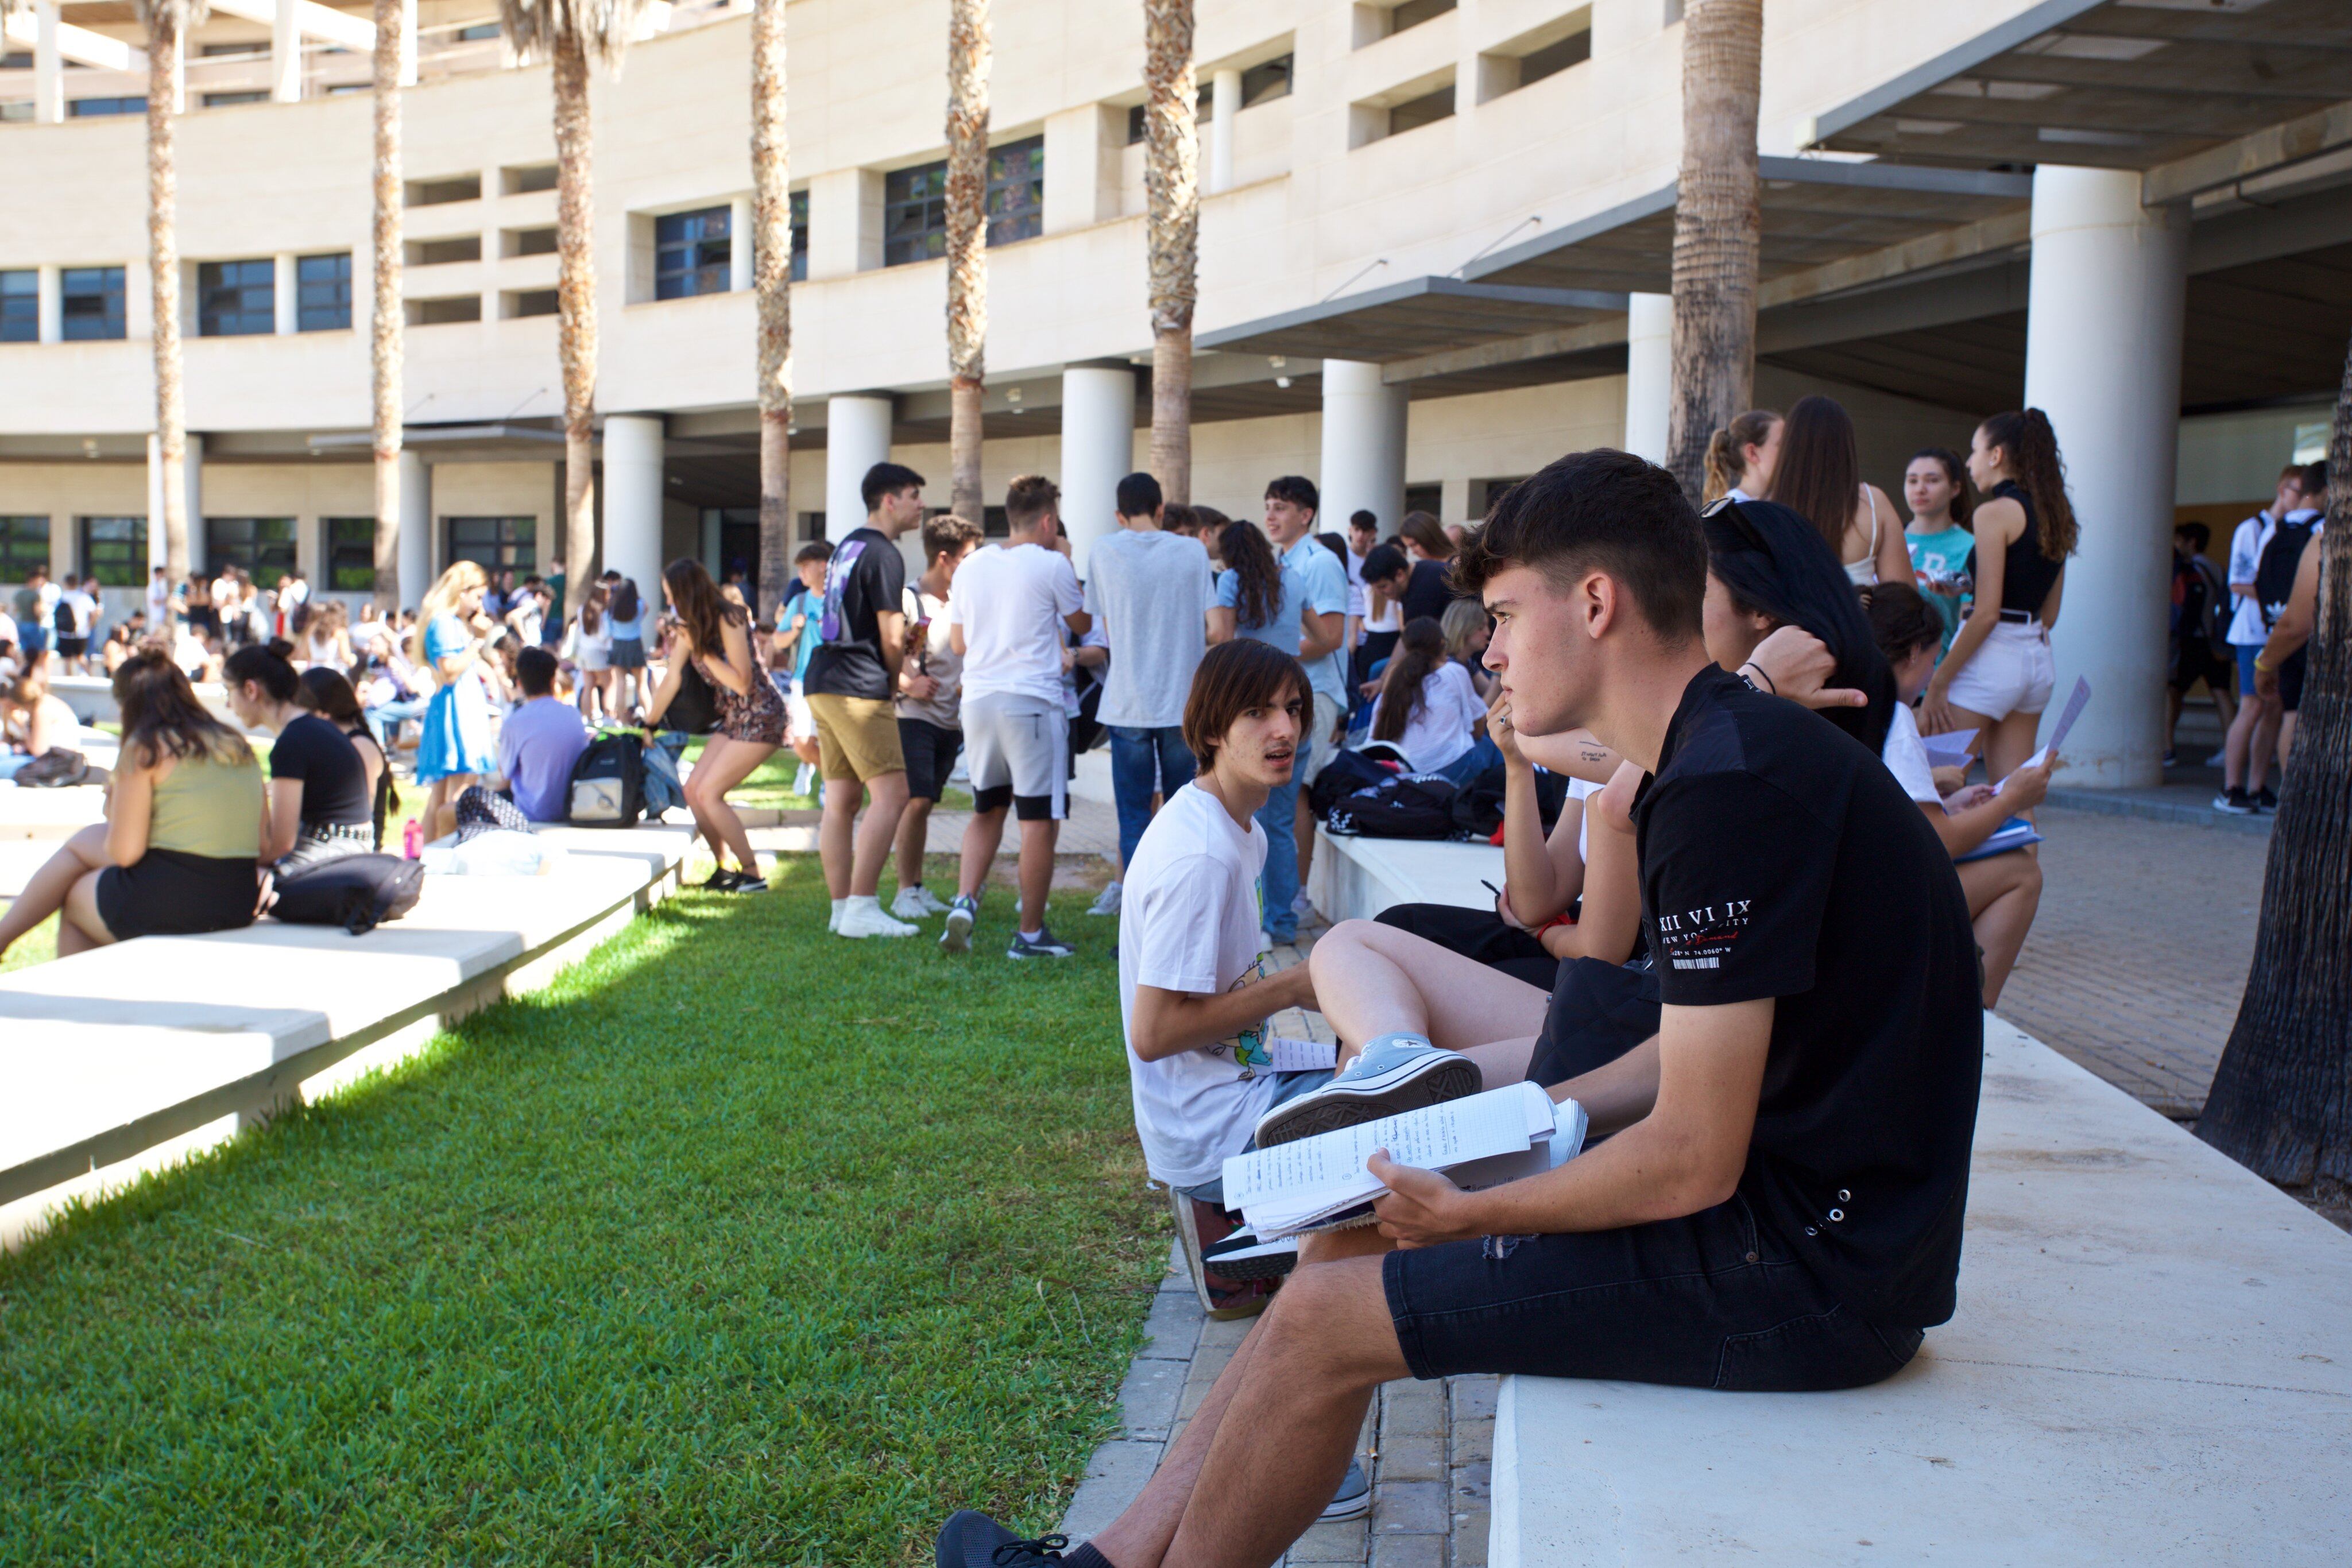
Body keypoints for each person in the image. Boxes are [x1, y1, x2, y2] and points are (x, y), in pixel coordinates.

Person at [938, 446, 1986, 1568]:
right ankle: (1106, 1562)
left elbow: (1691, 1159)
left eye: (1500, 614)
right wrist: (1512, 1117)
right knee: (1345, 1216)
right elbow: (1675, 1065)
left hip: (1811, 1273)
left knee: (1317, 1321)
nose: (1484, 648)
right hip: (1794, 1227)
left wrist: (1472, 1210)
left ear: (1594, 602)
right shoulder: (1715, 755)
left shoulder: (1723, 784)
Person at [0, 651, 264, 963]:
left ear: (128, 704)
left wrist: (113, 800)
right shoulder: (236, 744)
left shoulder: (147, 747)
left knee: (77, 896)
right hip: (237, 897)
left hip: (177, 898)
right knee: (86, 846)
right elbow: (265, 843)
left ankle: (14, 946)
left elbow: (126, 852)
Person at [1862, 582, 2049, 1006]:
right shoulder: (1894, 714)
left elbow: (1884, 813)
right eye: (1934, 659)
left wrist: (1947, 804)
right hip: (1877, 909)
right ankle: (1967, 1010)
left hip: (1849, 894)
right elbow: (1941, 841)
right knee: (2022, 871)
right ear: (1913, 653)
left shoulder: (1851, 700)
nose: (1932, 674)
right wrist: (2011, 800)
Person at [939, 475, 1090, 959]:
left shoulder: (972, 565)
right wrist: (1065, 559)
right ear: (1049, 520)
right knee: (1038, 820)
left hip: (979, 700)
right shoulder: (1051, 564)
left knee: (987, 808)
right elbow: (1083, 624)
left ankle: (964, 901)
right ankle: (1029, 934)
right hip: (1032, 702)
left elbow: (959, 643)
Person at [1082, 471, 1216, 918]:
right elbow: (1216, 627)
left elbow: (1096, 617)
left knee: (1134, 819)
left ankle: (1138, 920)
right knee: (1184, 814)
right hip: (1183, 702)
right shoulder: (1193, 550)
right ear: (1161, 509)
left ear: (1120, 514)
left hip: (1127, 702)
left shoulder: (1103, 549)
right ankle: (1180, 912)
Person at [1922, 408, 2076, 787]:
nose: (1971, 462)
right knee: (2012, 796)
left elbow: (1988, 613)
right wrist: (1967, 587)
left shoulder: (1994, 513)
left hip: (1990, 658)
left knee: (1934, 787)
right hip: (2036, 659)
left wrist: (1939, 682)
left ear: (1997, 456)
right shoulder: (2056, 514)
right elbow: (2048, 612)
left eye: (1975, 451)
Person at [807, 462, 927, 937]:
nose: (921, 504)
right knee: (893, 794)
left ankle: (842, 909)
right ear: (889, 500)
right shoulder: (884, 553)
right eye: (914, 495)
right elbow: (891, 635)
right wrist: (899, 675)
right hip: (857, 685)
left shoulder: (847, 547)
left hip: (823, 678)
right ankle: (860, 906)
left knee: (841, 798)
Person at [648, 557, 787, 892]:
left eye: (672, 595)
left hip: (761, 716)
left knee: (710, 794)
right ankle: (725, 867)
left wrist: (703, 652)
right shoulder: (690, 626)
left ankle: (752, 875)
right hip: (734, 719)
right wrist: (649, 725)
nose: (669, 603)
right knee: (693, 791)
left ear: (687, 592)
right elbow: (671, 680)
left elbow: (742, 683)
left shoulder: (731, 618)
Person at [1209, 518, 1312, 946]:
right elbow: (1326, 635)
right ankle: (1283, 921)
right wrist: (1285, 650)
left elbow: (1225, 639)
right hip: (1295, 699)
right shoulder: (1293, 578)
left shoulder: (1231, 579)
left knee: (1255, 820)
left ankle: (1260, 923)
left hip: (1251, 703)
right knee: (1282, 821)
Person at [1262, 477, 1350, 931]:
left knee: (1293, 792)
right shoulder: (1281, 562)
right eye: (1268, 507)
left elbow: (1332, 637)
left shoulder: (1320, 562)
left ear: (1307, 515)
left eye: (1281, 507)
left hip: (1315, 694)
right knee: (1282, 793)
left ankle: (1294, 897)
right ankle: (1284, 894)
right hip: (1290, 694)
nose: (1271, 516)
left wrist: (1266, 649)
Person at [892, 513, 983, 920]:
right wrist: (910, 685)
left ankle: (916, 886)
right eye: (967, 558)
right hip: (914, 717)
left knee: (926, 805)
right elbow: (893, 656)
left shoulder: (962, 603)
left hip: (951, 720)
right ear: (944, 559)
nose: (973, 566)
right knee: (917, 800)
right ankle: (903, 891)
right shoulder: (912, 601)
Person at [223, 640, 375, 873]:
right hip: (351, 850)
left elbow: (281, 843)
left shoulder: (292, 742)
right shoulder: (312, 729)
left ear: (251, 690)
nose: (227, 704)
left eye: (229, 691)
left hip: (332, 856)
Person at [1765, 394, 1906, 587]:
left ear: (1789, 445)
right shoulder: (1874, 502)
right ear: (1847, 445)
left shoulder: (1763, 508)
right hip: (1856, 616)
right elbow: (1903, 596)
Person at [411, 560, 498, 842]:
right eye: (477, 596)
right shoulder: (443, 624)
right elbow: (449, 672)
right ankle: (441, 852)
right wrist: (477, 641)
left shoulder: (451, 623)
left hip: (461, 707)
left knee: (443, 794)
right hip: (456, 710)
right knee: (454, 794)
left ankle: (430, 855)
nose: (479, 604)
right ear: (462, 591)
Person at [2253, 460, 2327, 771]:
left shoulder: (2274, 534)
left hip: (2281, 636)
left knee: (2291, 715)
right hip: (2317, 642)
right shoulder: (2323, 532)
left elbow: (2260, 586)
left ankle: (2290, 799)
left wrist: (2266, 661)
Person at [1364, 617, 1490, 784]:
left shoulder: (1393, 679)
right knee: (1491, 747)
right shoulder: (1454, 672)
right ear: (1441, 643)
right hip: (1447, 770)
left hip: (1397, 772)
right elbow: (1478, 730)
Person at [295, 664, 393, 849]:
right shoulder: (338, 742)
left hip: (352, 851)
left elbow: (363, 813)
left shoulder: (360, 745)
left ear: (323, 713)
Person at [2166, 522, 2237, 766]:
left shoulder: (2189, 570)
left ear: (2191, 542)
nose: (2175, 545)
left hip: (2193, 639)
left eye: (2178, 540)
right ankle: (2232, 748)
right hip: (2216, 640)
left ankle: (2167, 746)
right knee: (2222, 693)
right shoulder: (2217, 568)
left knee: (2173, 692)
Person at [493, 645, 589, 824]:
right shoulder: (573, 715)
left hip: (529, 812)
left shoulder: (515, 722)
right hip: (570, 807)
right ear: (554, 681)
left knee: (451, 810)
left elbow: (505, 776)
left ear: (520, 683)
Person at [1902, 447, 1975, 649]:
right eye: (1912, 480)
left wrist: (1944, 678)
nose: (1920, 489)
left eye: (1932, 480)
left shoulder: (1970, 547)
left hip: (1940, 671)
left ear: (1955, 489)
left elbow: (1970, 624)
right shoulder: (1888, 538)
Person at [777, 540, 834, 796]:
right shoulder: (798, 601)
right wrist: (794, 629)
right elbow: (778, 640)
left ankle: (830, 785)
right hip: (803, 679)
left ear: (823, 566)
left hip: (834, 681)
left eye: (805, 567)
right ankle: (826, 774)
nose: (801, 574)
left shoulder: (840, 601)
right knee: (802, 743)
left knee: (831, 739)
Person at [1, 669, 84, 781]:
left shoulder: (41, 710)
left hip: (57, 761)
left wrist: (22, 726)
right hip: (50, 758)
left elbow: (39, 751)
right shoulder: (44, 702)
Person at [1355, 540, 1409, 687]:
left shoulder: (1368, 590)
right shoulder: (1396, 593)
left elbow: (1361, 623)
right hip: (1391, 647)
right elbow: (1403, 626)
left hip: (1369, 647)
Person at [1702, 407, 1781, 504]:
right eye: (1781, 445)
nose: (1789, 451)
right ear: (1752, 453)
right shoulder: (1734, 511)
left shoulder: (1780, 504)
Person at [564, 582, 615, 722]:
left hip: (583, 651)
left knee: (589, 686)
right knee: (610, 684)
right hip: (597, 651)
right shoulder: (602, 611)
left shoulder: (582, 609)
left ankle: (586, 717)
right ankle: (609, 716)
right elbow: (603, 635)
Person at [1395, 512, 1458, 625]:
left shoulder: (1457, 563)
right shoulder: (1422, 568)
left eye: (1414, 545)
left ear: (1427, 537)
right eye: (1409, 547)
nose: (1413, 551)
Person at [605, 577, 649, 722]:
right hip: (634, 643)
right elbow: (646, 610)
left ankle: (621, 720)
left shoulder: (612, 606)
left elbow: (609, 630)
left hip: (618, 644)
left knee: (620, 683)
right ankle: (650, 717)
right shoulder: (640, 604)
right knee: (641, 684)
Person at [1438, 597, 1496, 702]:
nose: (1488, 633)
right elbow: (1481, 715)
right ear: (1463, 629)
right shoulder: (1448, 667)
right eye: (1481, 627)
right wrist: (1498, 673)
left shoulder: (1467, 662)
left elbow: (1489, 693)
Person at [10, 564, 55, 673]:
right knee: (39, 652)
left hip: (22, 624)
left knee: (25, 652)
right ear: (33, 580)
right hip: (33, 625)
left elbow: (15, 610)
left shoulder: (19, 594)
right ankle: (37, 672)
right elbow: (38, 611)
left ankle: (26, 672)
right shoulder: (35, 595)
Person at [53, 574, 97, 675]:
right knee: (80, 656)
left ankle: (69, 680)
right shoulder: (84, 597)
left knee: (67, 659)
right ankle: (91, 677)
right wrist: (90, 625)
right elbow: (94, 613)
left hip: (65, 633)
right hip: (82, 632)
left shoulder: (62, 597)